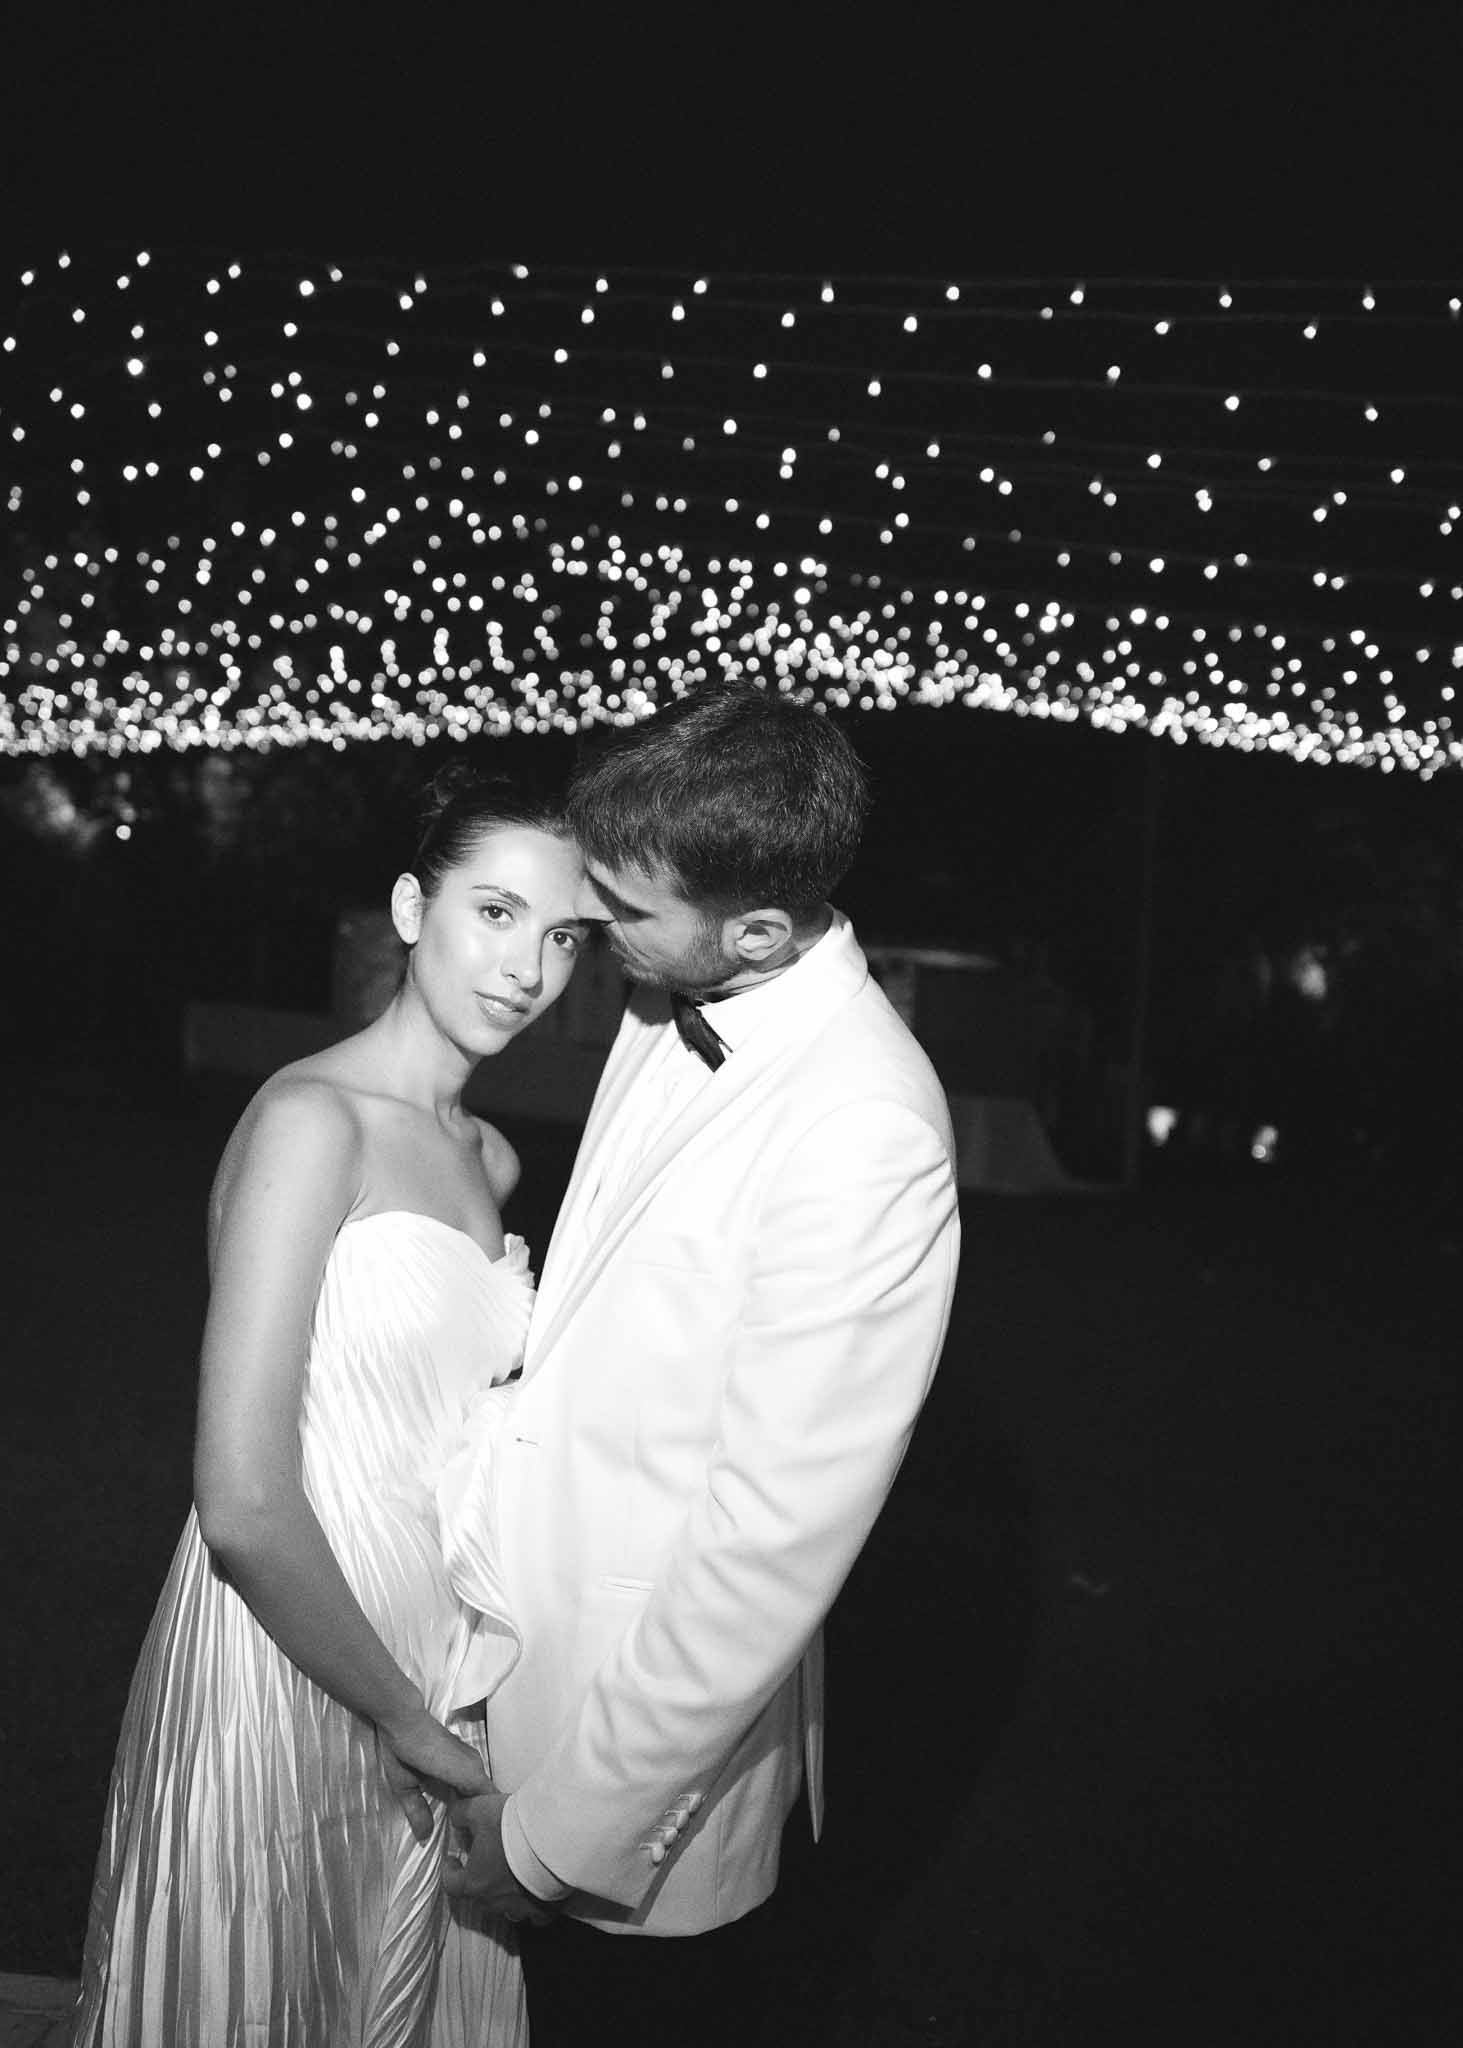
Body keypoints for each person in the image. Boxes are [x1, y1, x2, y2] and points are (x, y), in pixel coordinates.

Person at [439, 684, 961, 2041]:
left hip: (632, 1796)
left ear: (761, 930)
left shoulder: (865, 1131)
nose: (587, 927)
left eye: (620, 906)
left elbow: (764, 1550)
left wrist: (559, 1835)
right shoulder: (676, 984)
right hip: (507, 1666)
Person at [73, 772, 591, 2048]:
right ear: (414, 908)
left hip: (440, 1662)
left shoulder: (493, 1158)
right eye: (496, 911)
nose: (526, 966)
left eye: (565, 936)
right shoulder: (312, 1121)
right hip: (290, 1656)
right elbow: (243, 1498)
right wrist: (404, 1721)